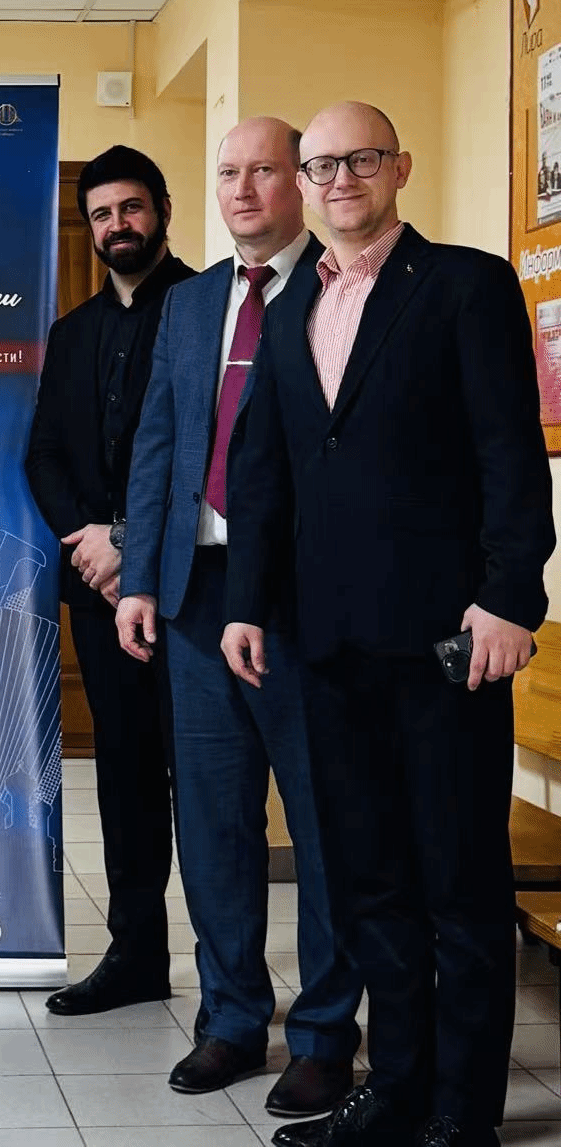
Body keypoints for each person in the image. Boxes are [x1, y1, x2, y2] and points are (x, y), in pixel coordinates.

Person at [222, 102, 554, 1147]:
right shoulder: (289, 308)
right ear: (303, 181)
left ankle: (463, 1114)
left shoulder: (463, 284)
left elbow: (510, 450)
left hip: (449, 642)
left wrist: (512, 594)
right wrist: (246, 604)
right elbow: (265, 473)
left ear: (399, 166)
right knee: (371, 883)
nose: (340, 180)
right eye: (321, 165)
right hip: (326, 644)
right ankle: (399, 1089)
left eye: (360, 159)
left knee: (457, 885)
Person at [117, 117, 361, 1116]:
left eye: (265, 170)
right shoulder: (187, 303)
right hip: (195, 595)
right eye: (229, 172)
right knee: (214, 822)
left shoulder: (340, 291)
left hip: (304, 602)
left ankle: (325, 1034)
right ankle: (230, 1018)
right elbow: (159, 444)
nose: (245, 189)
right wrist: (139, 577)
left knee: (322, 821)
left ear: (299, 182)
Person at [25, 147, 195, 1014]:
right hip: (98, 594)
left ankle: (231, 976)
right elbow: (45, 454)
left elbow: (217, 455)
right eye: (101, 214)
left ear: (162, 208)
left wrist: (132, 542)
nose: (117, 225)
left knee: (207, 787)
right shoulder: (72, 332)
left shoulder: (208, 308)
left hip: (195, 593)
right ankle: (136, 956)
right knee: (124, 778)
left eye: (131, 207)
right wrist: (90, 541)